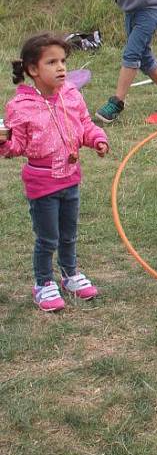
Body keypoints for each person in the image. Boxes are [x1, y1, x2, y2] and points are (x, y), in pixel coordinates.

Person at [0, 33, 109, 312]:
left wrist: (96, 138)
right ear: (33, 70)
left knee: (69, 234)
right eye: (52, 62)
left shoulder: (71, 95)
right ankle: (43, 283)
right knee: (48, 237)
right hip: (42, 184)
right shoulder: (20, 107)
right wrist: (3, 141)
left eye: (62, 61)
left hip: (70, 178)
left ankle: (70, 275)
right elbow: (17, 146)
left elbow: (83, 124)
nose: (61, 67)